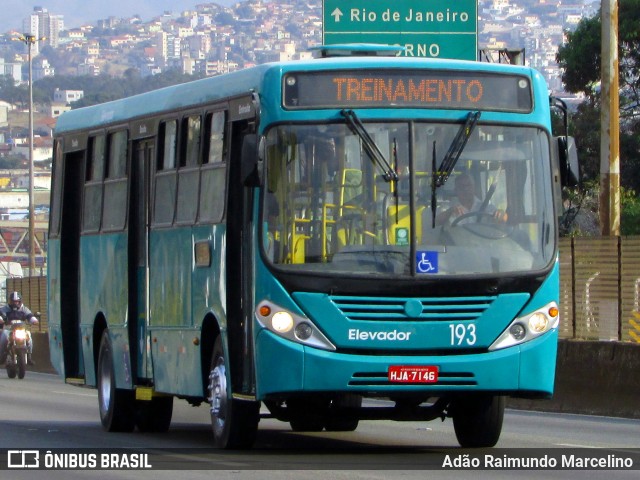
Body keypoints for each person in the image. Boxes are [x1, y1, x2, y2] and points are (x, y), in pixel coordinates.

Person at [436, 173, 507, 226]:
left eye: (468, 185)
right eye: (461, 187)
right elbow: (436, 221)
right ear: (456, 190)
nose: (465, 189)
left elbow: (504, 219)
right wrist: (450, 211)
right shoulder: (448, 206)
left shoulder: (486, 206)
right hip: (455, 244)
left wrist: (501, 213)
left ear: (474, 188)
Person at [0, 291, 38, 366]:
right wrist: (1, 320)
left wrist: (34, 320)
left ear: (20, 301)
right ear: (10, 301)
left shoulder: (24, 309)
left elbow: (30, 316)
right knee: (3, 336)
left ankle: (29, 356)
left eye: (17, 301)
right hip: (8, 329)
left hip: (21, 329)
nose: (15, 303)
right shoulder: (4, 309)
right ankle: (1, 356)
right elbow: (0, 315)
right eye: (13, 301)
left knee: (29, 336)